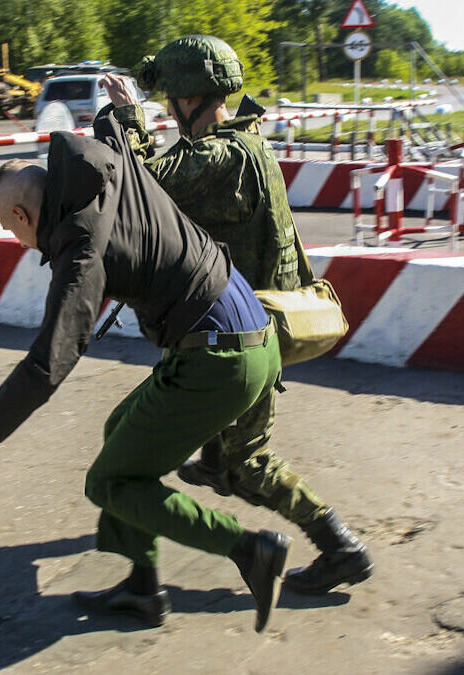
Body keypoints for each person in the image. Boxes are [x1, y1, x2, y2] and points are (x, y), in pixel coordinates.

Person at [0, 105, 292, 633]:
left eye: (8, 229)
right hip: (247, 335)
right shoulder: (106, 163)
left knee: (109, 482)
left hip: (220, 357)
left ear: (22, 217)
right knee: (120, 432)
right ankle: (142, 588)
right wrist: (118, 104)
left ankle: (248, 549)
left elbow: (47, 365)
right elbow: (115, 126)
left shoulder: (81, 249)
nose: (16, 242)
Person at [100, 35, 372, 596]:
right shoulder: (246, 143)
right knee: (215, 456)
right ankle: (167, 524)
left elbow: (140, 188)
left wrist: (128, 117)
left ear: (187, 98)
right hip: (244, 329)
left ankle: (339, 546)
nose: (167, 109)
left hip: (243, 338)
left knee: (247, 464)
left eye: (169, 97)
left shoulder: (221, 157)